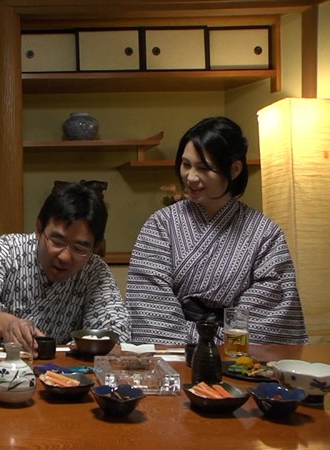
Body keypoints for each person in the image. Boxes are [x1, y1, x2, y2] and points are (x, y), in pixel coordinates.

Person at [126, 116, 308, 345]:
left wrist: (213, 342)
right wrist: (213, 339)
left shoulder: (265, 234)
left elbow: (268, 315)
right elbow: (151, 307)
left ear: (234, 169)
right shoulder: (161, 224)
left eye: (204, 168)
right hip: (174, 354)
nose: (191, 177)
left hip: (238, 358)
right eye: (186, 164)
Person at [0, 182, 131, 355]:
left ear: (95, 246)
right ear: (39, 229)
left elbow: (115, 327)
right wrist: (8, 324)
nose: (64, 257)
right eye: (57, 241)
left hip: (64, 366)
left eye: (80, 248)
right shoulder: (7, 249)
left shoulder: (94, 270)